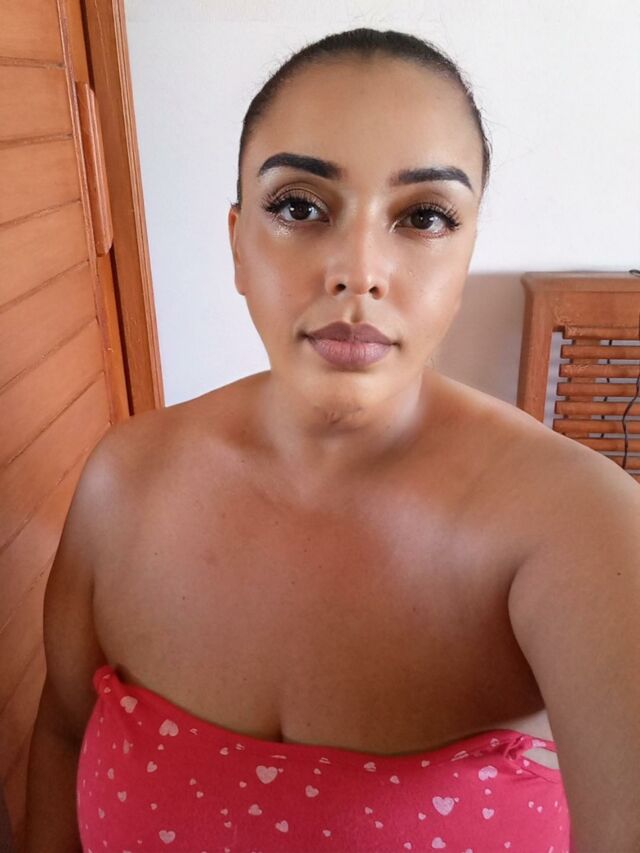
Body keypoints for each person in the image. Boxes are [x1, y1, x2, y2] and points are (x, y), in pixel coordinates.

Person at [25, 27, 640, 853]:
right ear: (237, 243)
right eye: (299, 206)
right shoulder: (121, 484)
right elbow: (62, 732)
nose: (358, 269)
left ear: (466, 256)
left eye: (424, 216)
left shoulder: (583, 526)